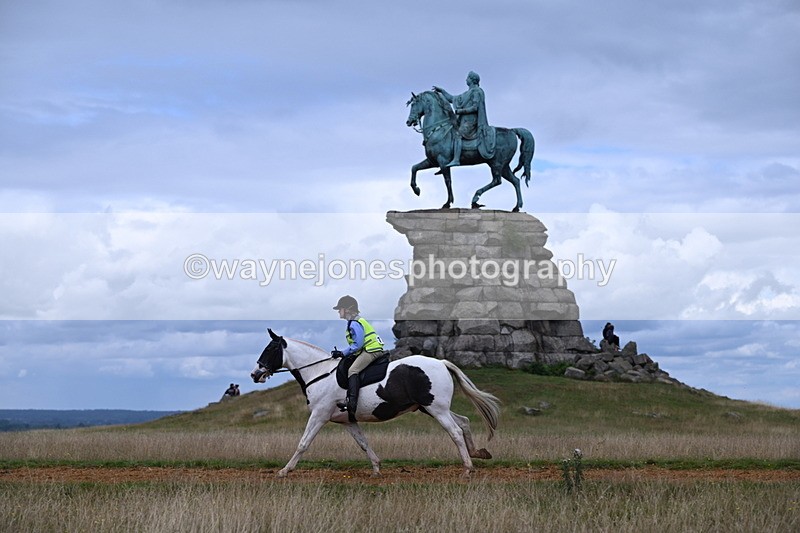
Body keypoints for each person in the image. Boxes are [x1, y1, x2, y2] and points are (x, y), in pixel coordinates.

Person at [330, 295, 385, 422]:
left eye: (340, 309)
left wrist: (342, 353)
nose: (339, 311)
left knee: (353, 370)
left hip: (372, 350)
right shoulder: (354, 321)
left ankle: (352, 403)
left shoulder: (354, 323)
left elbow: (358, 344)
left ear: (347, 310)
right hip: (369, 349)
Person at [432, 71, 496, 167]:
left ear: (472, 80)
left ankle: (456, 159)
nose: (466, 79)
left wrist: (460, 111)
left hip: (471, 122)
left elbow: (475, 108)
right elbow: (452, 98)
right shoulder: (467, 93)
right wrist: (442, 91)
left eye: (468, 78)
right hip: (463, 121)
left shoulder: (477, 92)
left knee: (457, 134)